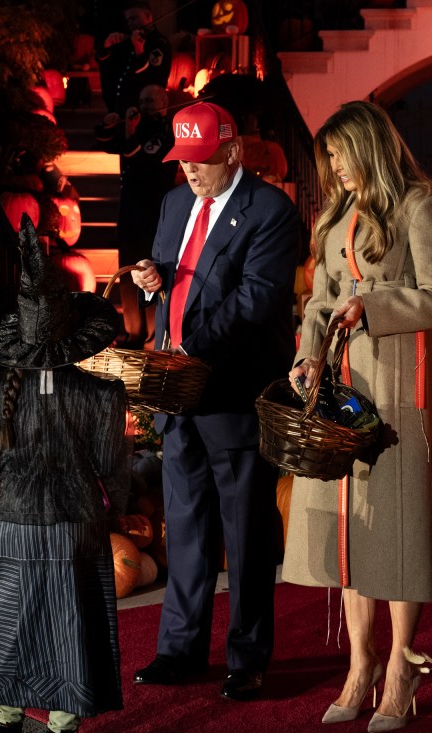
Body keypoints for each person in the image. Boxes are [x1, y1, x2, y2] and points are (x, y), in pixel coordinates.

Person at [281, 100, 432, 732]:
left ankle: (400, 670)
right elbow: (317, 302)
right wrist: (307, 358)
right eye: (326, 157)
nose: (331, 166)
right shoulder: (335, 215)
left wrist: (375, 306)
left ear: (366, 145)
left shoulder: (420, 204)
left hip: (399, 390)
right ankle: (360, 666)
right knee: (350, 529)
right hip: (342, 385)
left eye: (336, 153)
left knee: (399, 529)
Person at [128, 101, 301, 701]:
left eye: (201, 161)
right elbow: (175, 282)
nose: (190, 172)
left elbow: (256, 301)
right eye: (182, 161)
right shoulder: (176, 204)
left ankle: (248, 658)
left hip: (233, 393)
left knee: (247, 532)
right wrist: (153, 278)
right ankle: (179, 652)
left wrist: (190, 348)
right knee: (184, 526)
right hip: (177, 395)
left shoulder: (273, 213)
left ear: (232, 153)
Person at [0, 214, 131, 733]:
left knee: (11, 626)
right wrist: (120, 506)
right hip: (76, 525)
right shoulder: (102, 393)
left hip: (14, 525)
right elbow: (115, 468)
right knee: (71, 629)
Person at [95, 82, 177, 347]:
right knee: (128, 277)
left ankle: (153, 336)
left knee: (150, 276)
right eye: (142, 101)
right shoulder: (139, 126)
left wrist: (130, 129)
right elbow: (107, 143)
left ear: (164, 104)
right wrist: (110, 123)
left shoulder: (166, 133)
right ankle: (133, 333)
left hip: (152, 214)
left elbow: (140, 158)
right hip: (130, 214)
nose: (145, 107)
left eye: (151, 101)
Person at [96, 0, 172, 121]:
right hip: (120, 109)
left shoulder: (159, 43)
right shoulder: (128, 39)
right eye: (128, 20)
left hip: (144, 111)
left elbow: (153, 77)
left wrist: (139, 49)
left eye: (134, 18)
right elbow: (108, 65)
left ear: (148, 17)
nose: (130, 23)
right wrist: (107, 46)